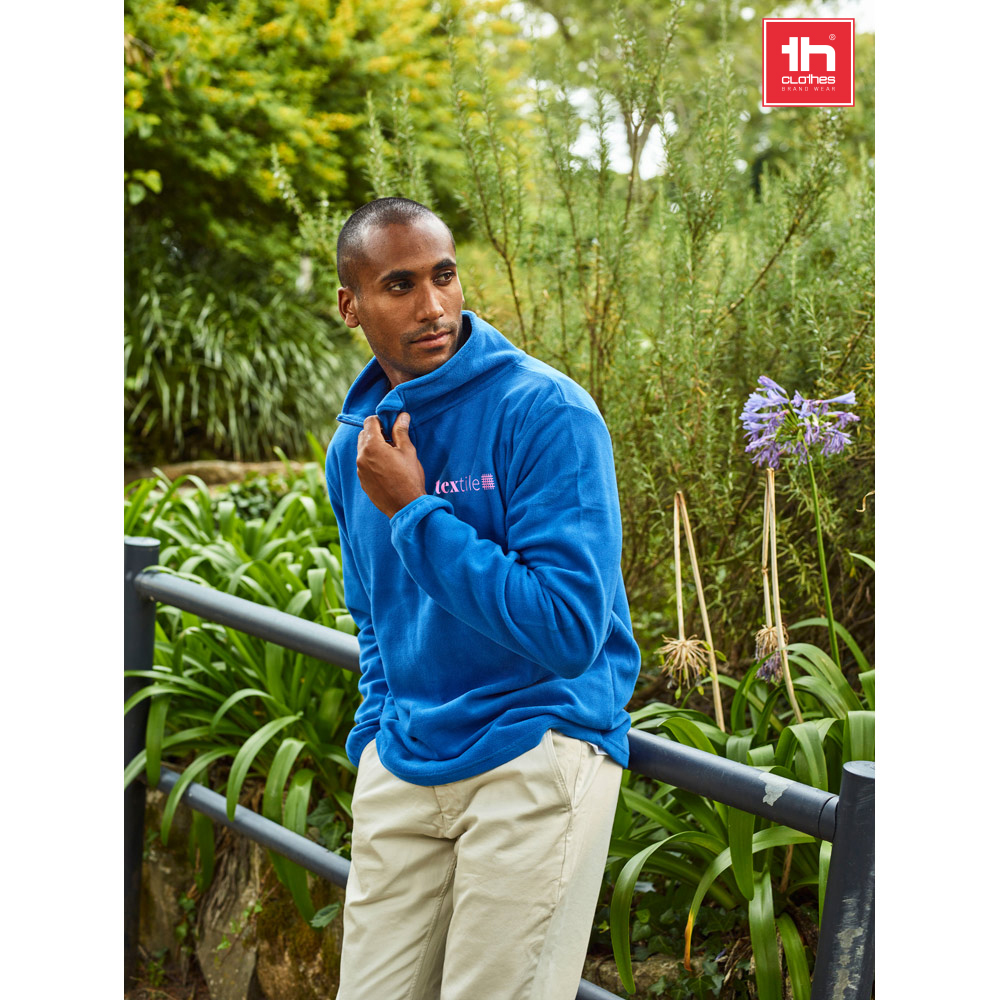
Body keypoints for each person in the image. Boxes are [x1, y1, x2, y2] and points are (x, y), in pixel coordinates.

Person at [324, 196, 641, 1000]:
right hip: (406, 756)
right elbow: (373, 616)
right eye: (400, 286)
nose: (432, 307)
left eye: (444, 276)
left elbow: (568, 630)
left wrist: (415, 512)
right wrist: (375, 738)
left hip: (536, 746)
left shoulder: (546, 413)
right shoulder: (355, 445)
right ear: (351, 306)